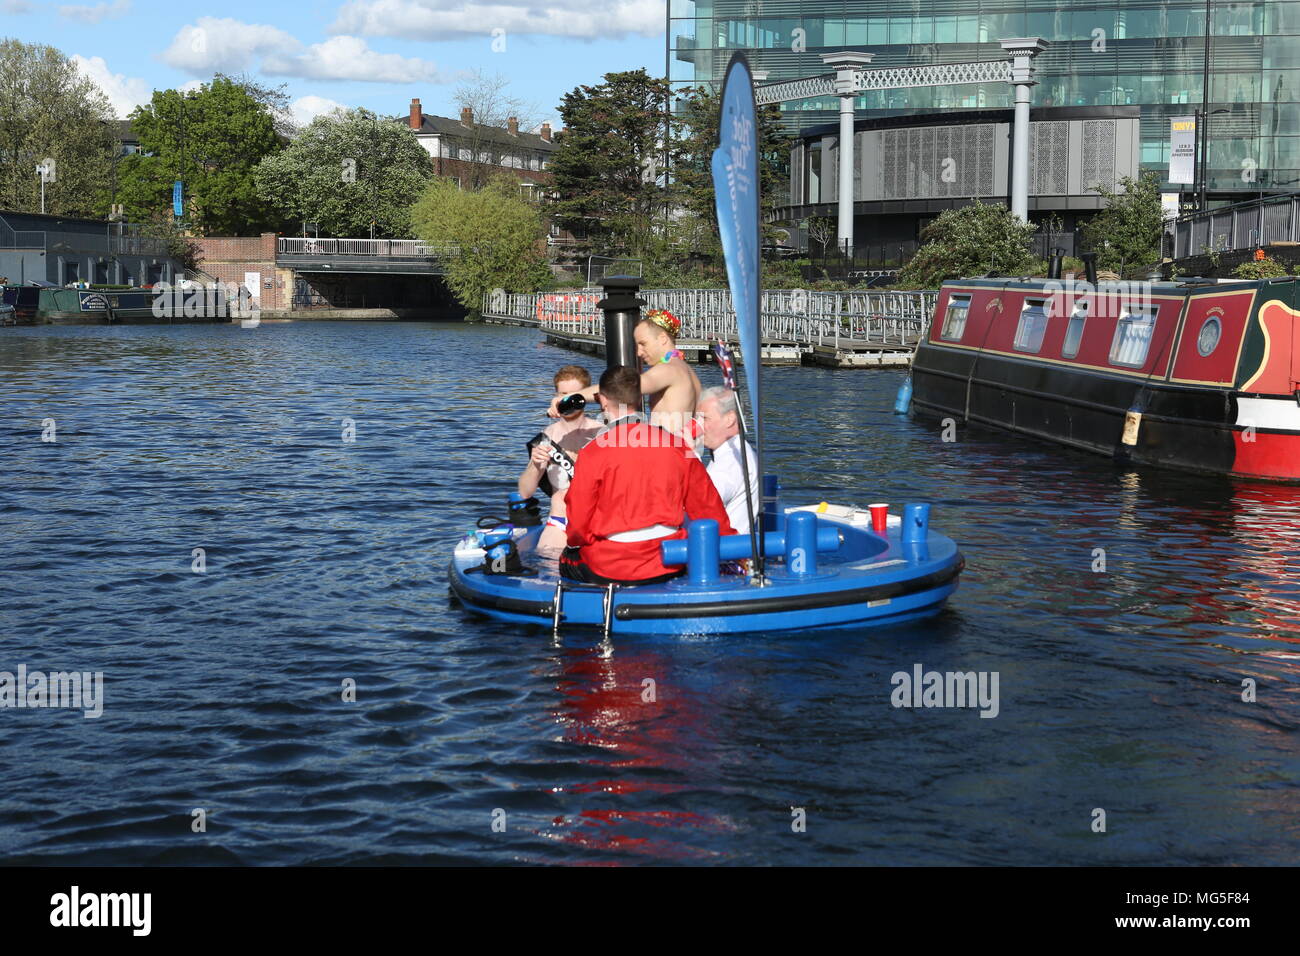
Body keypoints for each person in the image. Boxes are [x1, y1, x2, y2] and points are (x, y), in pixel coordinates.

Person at [560, 366, 734, 585]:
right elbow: (707, 506)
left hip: (612, 565)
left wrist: (579, 541)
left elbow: (578, 520)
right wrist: (731, 549)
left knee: (568, 557)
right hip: (669, 559)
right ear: (639, 397)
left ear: (603, 401)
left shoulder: (593, 452)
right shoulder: (677, 445)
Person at [548, 308, 702, 444]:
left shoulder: (668, 370)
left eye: (643, 344)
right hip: (687, 456)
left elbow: (620, 387)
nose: (639, 352)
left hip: (672, 461)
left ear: (662, 338)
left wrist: (569, 397)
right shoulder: (687, 371)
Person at [520, 365, 603, 552]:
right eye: (563, 394)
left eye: (574, 395)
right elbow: (525, 492)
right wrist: (535, 464)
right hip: (560, 520)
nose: (568, 401)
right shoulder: (547, 436)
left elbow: (614, 391)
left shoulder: (601, 432)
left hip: (597, 522)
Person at [696, 386, 760, 534]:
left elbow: (702, 503)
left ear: (730, 419)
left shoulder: (731, 461)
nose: (697, 426)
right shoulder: (731, 451)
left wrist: (688, 457)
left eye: (704, 418)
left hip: (725, 552)